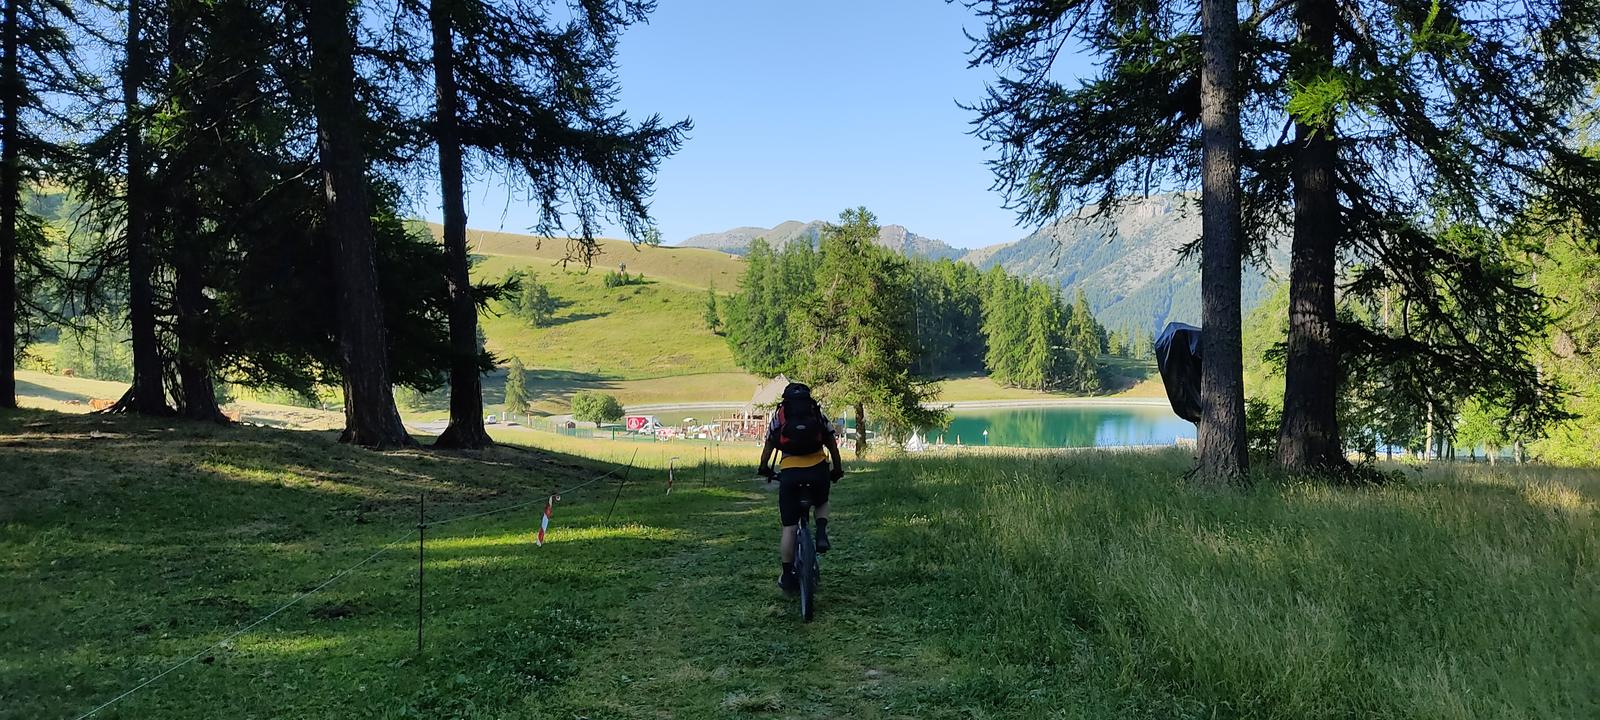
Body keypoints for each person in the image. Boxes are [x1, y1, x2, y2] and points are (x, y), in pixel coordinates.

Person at [757, 382, 844, 594]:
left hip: (790, 473)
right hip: (817, 470)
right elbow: (832, 442)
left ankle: (787, 575)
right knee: (821, 501)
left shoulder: (780, 416)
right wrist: (837, 469)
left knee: (789, 527)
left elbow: (769, 444)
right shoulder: (816, 413)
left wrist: (764, 468)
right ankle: (821, 532)